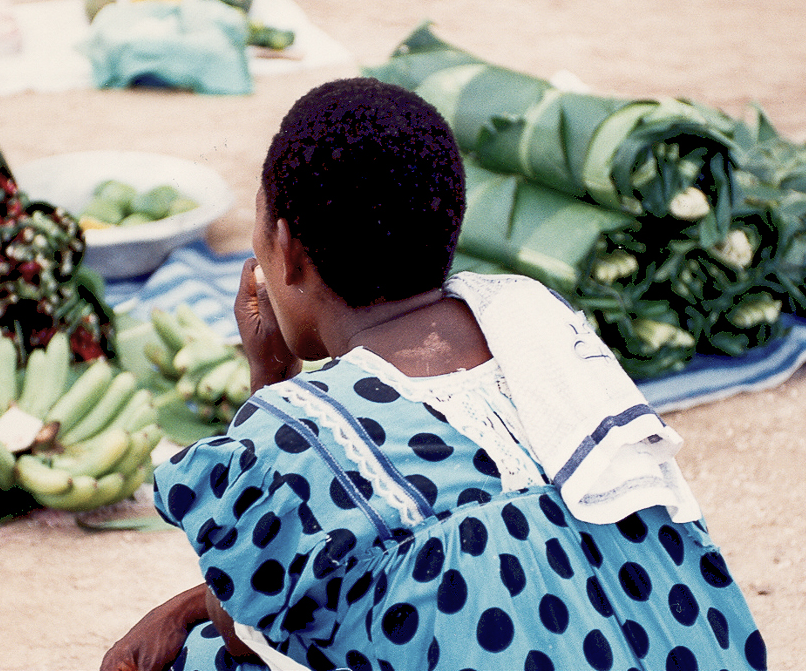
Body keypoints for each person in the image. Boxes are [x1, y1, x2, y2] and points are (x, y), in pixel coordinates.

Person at [101, 77, 767, 671]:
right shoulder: (532, 316)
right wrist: (183, 603)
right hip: (670, 641)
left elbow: (247, 622)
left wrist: (272, 376)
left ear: (288, 253)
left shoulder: (292, 428)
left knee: (214, 658)